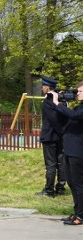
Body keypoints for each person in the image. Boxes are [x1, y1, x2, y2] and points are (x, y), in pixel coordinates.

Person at [45, 83, 83, 226]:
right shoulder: (78, 107)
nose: (77, 93)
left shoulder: (80, 111)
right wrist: (61, 105)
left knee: (79, 184)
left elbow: (74, 116)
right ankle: (77, 212)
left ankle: (81, 216)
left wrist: (57, 104)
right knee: (72, 183)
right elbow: (66, 121)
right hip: (69, 150)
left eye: (80, 91)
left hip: (78, 152)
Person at [38, 76, 66, 197]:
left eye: (43, 86)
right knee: (61, 163)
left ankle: (49, 190)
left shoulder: (48, 101)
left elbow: (53, 119)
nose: (42, 88)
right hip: (60, 136)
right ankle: (60, 187)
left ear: (47, 87)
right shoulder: (61, 100)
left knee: (51, 164)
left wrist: (60, 132)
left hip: (50, 136)